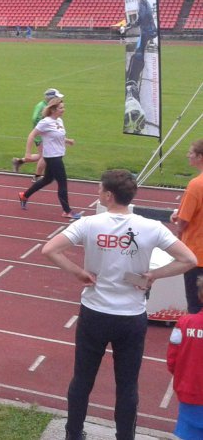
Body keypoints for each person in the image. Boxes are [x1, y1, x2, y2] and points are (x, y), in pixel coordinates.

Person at [42, 169, 196, 440]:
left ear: (109, 195)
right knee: (127, 385)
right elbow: (189, 260)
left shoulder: (89, 224)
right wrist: (153, 275)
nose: (98, 193)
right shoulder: (151, 227)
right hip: (131, 316)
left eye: (100, 189)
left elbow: (49, 250)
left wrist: (78, 272)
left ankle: (73, 434)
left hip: (94, 312)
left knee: (82, 379)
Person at [18, 97, 82, 220]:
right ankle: (67, 211)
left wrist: (67, 141)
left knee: (47, 179)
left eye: (63, 107)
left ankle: (24, 195)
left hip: (58, 155)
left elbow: (56, 135)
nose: (63, 110)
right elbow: (31, 135)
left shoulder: (59, 121)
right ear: (53, 110)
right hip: (52, 157)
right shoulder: (45, 122)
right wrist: (28, 153)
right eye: (61, 108)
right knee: (62, 182)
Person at [167, 276, 203, 440]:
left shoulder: (183, 323)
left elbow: (172, 359)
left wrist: (182, 377)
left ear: (200, 296)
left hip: (189, 393)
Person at [172, 139, 203, 314]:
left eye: (191, 152)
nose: (187, 155)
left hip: (197, 255)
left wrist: (178, 226)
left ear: (200, 157)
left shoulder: (196, 185)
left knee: (195, 306)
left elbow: (183, 221)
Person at [12, 88, 63, 180]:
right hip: (41, 136)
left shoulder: (47, 106)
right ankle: (37, 176)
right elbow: (35, 118)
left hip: (44, 134)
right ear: (51, 98)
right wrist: (42, 128)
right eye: (56, 97)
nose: (58, 99)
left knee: (41, 155)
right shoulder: (42, 106)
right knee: (44, 156)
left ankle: (19, 161)